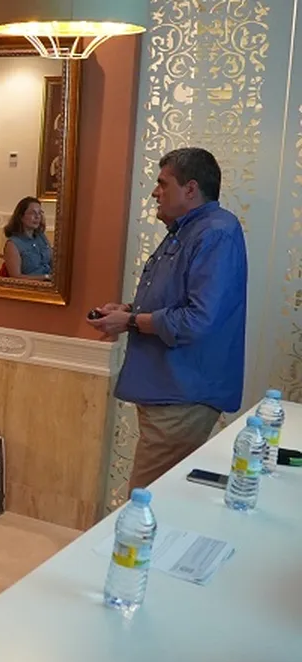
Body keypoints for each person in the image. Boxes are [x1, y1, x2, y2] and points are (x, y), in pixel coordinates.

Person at [89, 147, 248, 490]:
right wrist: (128, 311)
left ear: (190, 189)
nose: (154, 192)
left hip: (183, 394)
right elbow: (173, 299)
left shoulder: (215, 233)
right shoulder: (186, 230)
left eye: (163, 183)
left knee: (146, 502)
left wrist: (131, 322)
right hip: (167, 389)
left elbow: (198, 319)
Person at [1, 197, 52, 279]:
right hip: (30, 284)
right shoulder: (13, 244)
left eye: (39, 213)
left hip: (50, 282)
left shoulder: (41, 237)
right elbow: (16, 277)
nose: (37, 217)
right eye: (32, 213)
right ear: (21, 216)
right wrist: (45, 277)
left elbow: (53, 262)